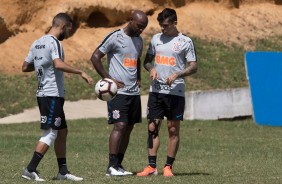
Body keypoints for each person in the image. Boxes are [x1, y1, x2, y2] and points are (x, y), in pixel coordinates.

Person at [21, 12, 93, 181]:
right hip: (51, 94)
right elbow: (58, 64)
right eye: (69, 29)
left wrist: (42, 65)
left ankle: (63, 171)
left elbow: (25, 66)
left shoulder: (37, 42)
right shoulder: (54, 43)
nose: (69, 32)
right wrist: (80, 71)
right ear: (62, 26)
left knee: (62, 131)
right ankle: (30, 169)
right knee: (51, 132)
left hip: (43, 93)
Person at [137, 8, 197, 177]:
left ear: (174, 23)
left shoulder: (185, 41)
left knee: (172, 129)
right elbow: (147, 61)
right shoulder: (156, 39)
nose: (162, 29)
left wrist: (178, 74)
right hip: (156, 90)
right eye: (160, 26)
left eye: (165, 25)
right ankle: (151, 167)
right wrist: (152, 69)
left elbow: (193, 66)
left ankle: (168, 167)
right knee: (152, 127)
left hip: (175, 92)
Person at [90, 10, 148, 176]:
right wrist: (109, 80)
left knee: (129, 127)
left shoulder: (139, 40)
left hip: (133, 92)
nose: (141, 30)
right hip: (118, 93)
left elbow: (136, 60)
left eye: (143, 27)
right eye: (139, 26)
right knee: (120, 125)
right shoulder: (115, 37)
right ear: (130, 20)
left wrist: (138, 77)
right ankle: (111, 166)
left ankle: (119, 165)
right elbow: (95, 57)